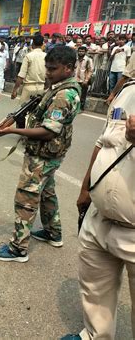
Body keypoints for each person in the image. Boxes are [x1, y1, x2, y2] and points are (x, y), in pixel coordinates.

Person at [0, 46, 81, 262]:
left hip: (43, 155)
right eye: (47, 68)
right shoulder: (59, 87)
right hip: (50, 154)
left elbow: (47, 132)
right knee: (47, 193)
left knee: (26, 198)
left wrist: (11, 130)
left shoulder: (64, 94)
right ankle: (53, 233)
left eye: (53, 69)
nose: (48, 72)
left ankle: (18, 248)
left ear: (68, 68)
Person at [63, 76, 135, 340]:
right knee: (95, 290)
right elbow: (103, 142)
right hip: (100, 218)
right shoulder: (127, 91)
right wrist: (85, 189)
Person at [11, 34, 47, 128]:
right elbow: (49, 75)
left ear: (33, 44)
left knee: (21, 111)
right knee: (38, 112)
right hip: (41, 87)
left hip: (28, 87)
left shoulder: (29, 56)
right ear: (43, 44)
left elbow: (21, 75)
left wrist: (15, 90)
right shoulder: (46, 56)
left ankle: (21, 131)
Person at [74, 46, 94, 110]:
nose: (81, 52)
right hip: (75, 79)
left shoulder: (88, 59)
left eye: (82, 51)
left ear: (85, 52)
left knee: (83, 95)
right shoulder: (75, 59)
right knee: (75, 94)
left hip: (83, 80)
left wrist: (86, 80)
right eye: (80, 51)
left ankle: (81, 108)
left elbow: (90, 70)